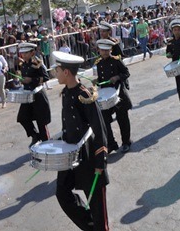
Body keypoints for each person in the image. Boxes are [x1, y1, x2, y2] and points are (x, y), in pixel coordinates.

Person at [52, 51, 109, 231]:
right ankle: (88, 223)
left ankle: (96, 226)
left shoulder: (84, 94)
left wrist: (100, 161)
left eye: (58, 70)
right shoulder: (67, 93)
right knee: (62, 193)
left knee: (97, 208)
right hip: (71, 156)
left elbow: (100, 129)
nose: (56, 73)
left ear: (66, 72)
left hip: (89, 156)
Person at [95, 38, 132, 153]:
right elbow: (101, 80)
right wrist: (97, 82)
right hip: (105, 96)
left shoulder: (116, 60)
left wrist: (117, 77)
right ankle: (112, 144)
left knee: (122, 119)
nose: (105, 52)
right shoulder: (98, 63)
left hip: (118, 93)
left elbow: (126, 73)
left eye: (107, 50)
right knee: (105, 121)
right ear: (99, 51)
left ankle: (126, 142)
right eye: (102, 50)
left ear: (111, 49)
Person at [17, 42, 51, 146]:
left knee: (41, 122)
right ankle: (34, 135)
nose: (23, 55)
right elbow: (24, 79)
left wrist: (31, 80)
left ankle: (46, 143)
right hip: (27, 96)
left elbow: (46, 77)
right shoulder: (23, 65)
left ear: (32, 52)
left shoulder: (37, 63)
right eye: (22, 53)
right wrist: (22, 80)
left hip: (38, 95)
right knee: (22, 118)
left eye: (26, 52)